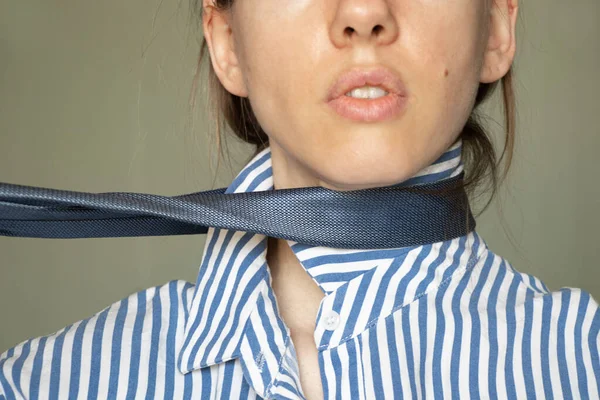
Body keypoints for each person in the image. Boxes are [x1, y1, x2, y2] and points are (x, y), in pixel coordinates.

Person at [1, 0, 599, 398]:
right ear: (229, 41)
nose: (364, 14)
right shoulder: (37, 386)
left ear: (496, 25)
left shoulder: (584, 363)